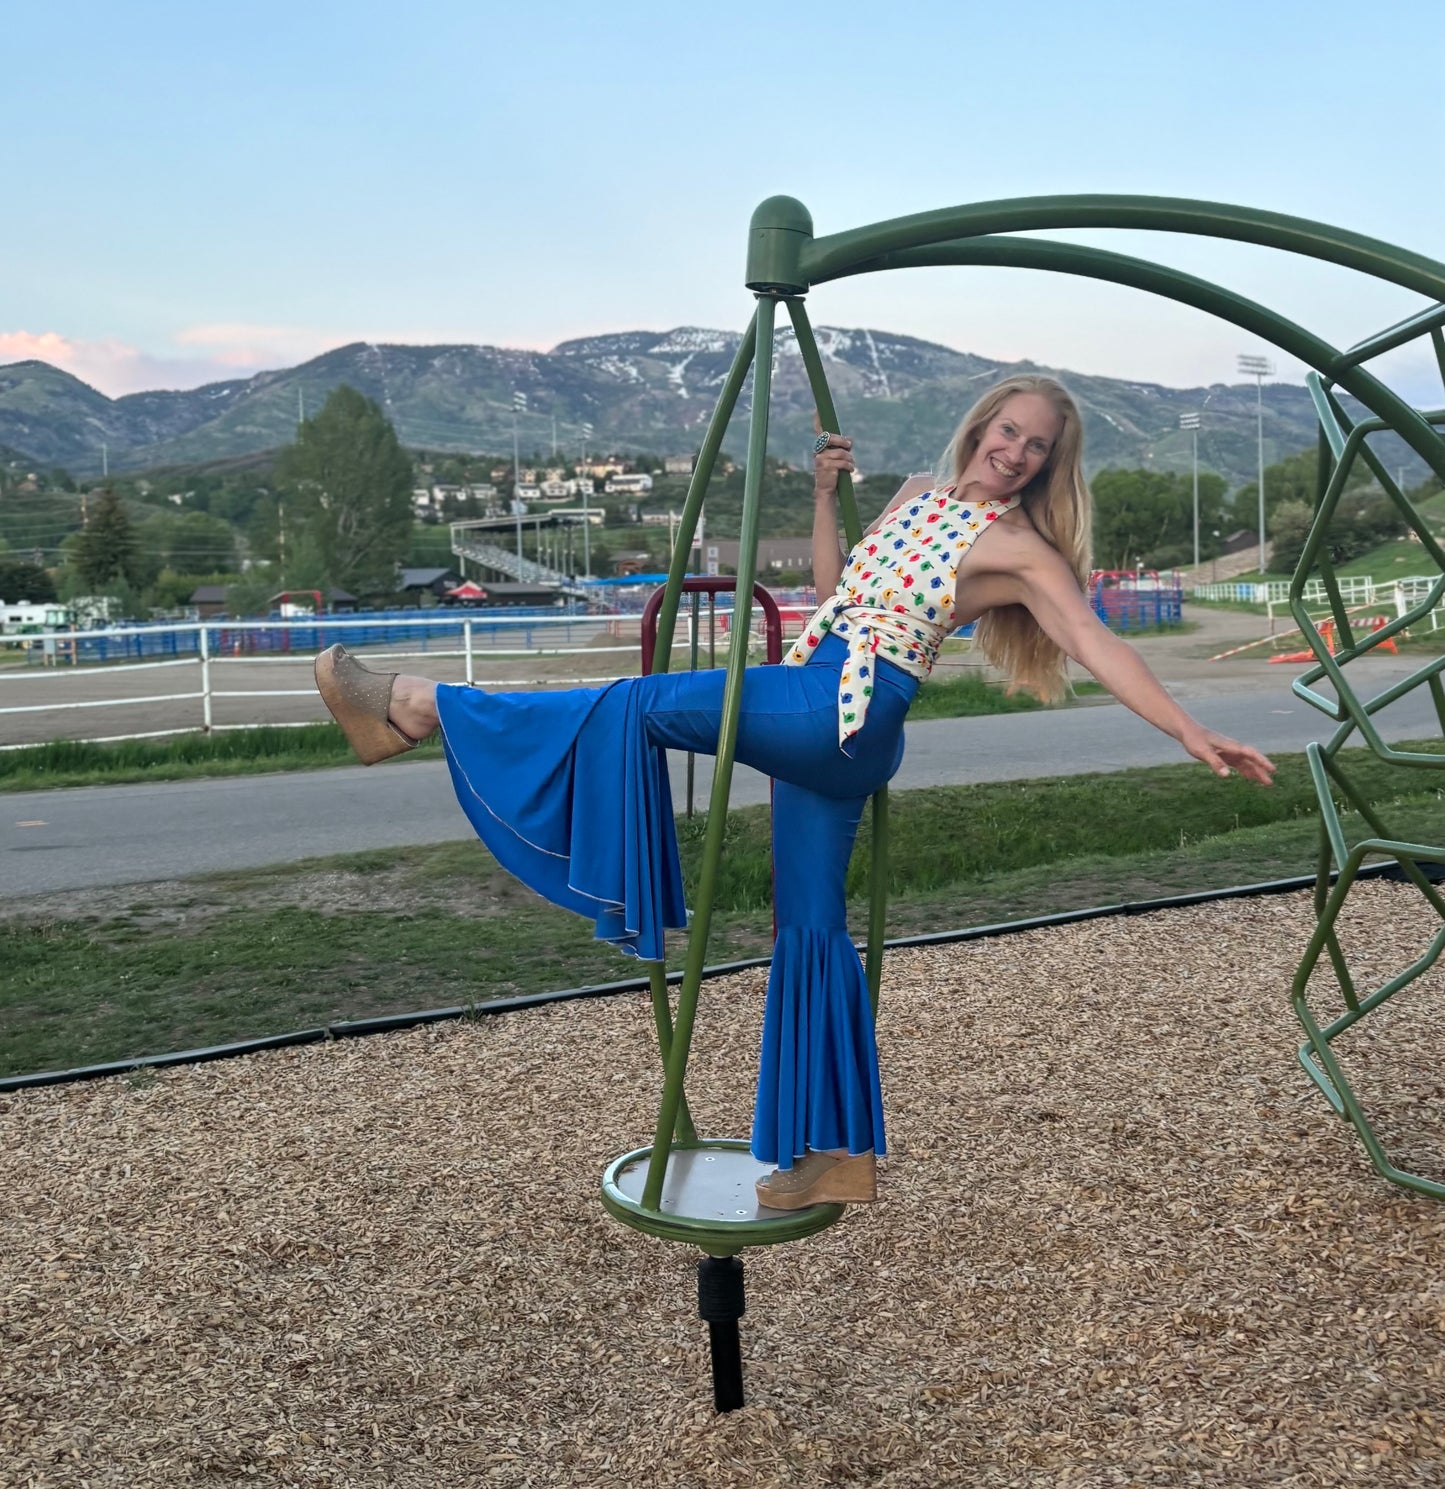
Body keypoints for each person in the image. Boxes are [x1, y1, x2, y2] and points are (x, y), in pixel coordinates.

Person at [314, 375, 1275, 1212]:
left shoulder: (1019, 547)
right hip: (834, 700)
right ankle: (835, 1155)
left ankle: (417, 703)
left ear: (1050, 463)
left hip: (835, 709)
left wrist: (1188, 729)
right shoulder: (910, 496)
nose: (1015, 451)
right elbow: (837, 591)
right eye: (1007, 430)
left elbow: (1095, 642)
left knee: (635, 702)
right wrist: (826, 497)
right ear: (980, 425)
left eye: (1037, 444)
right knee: (807, 927)